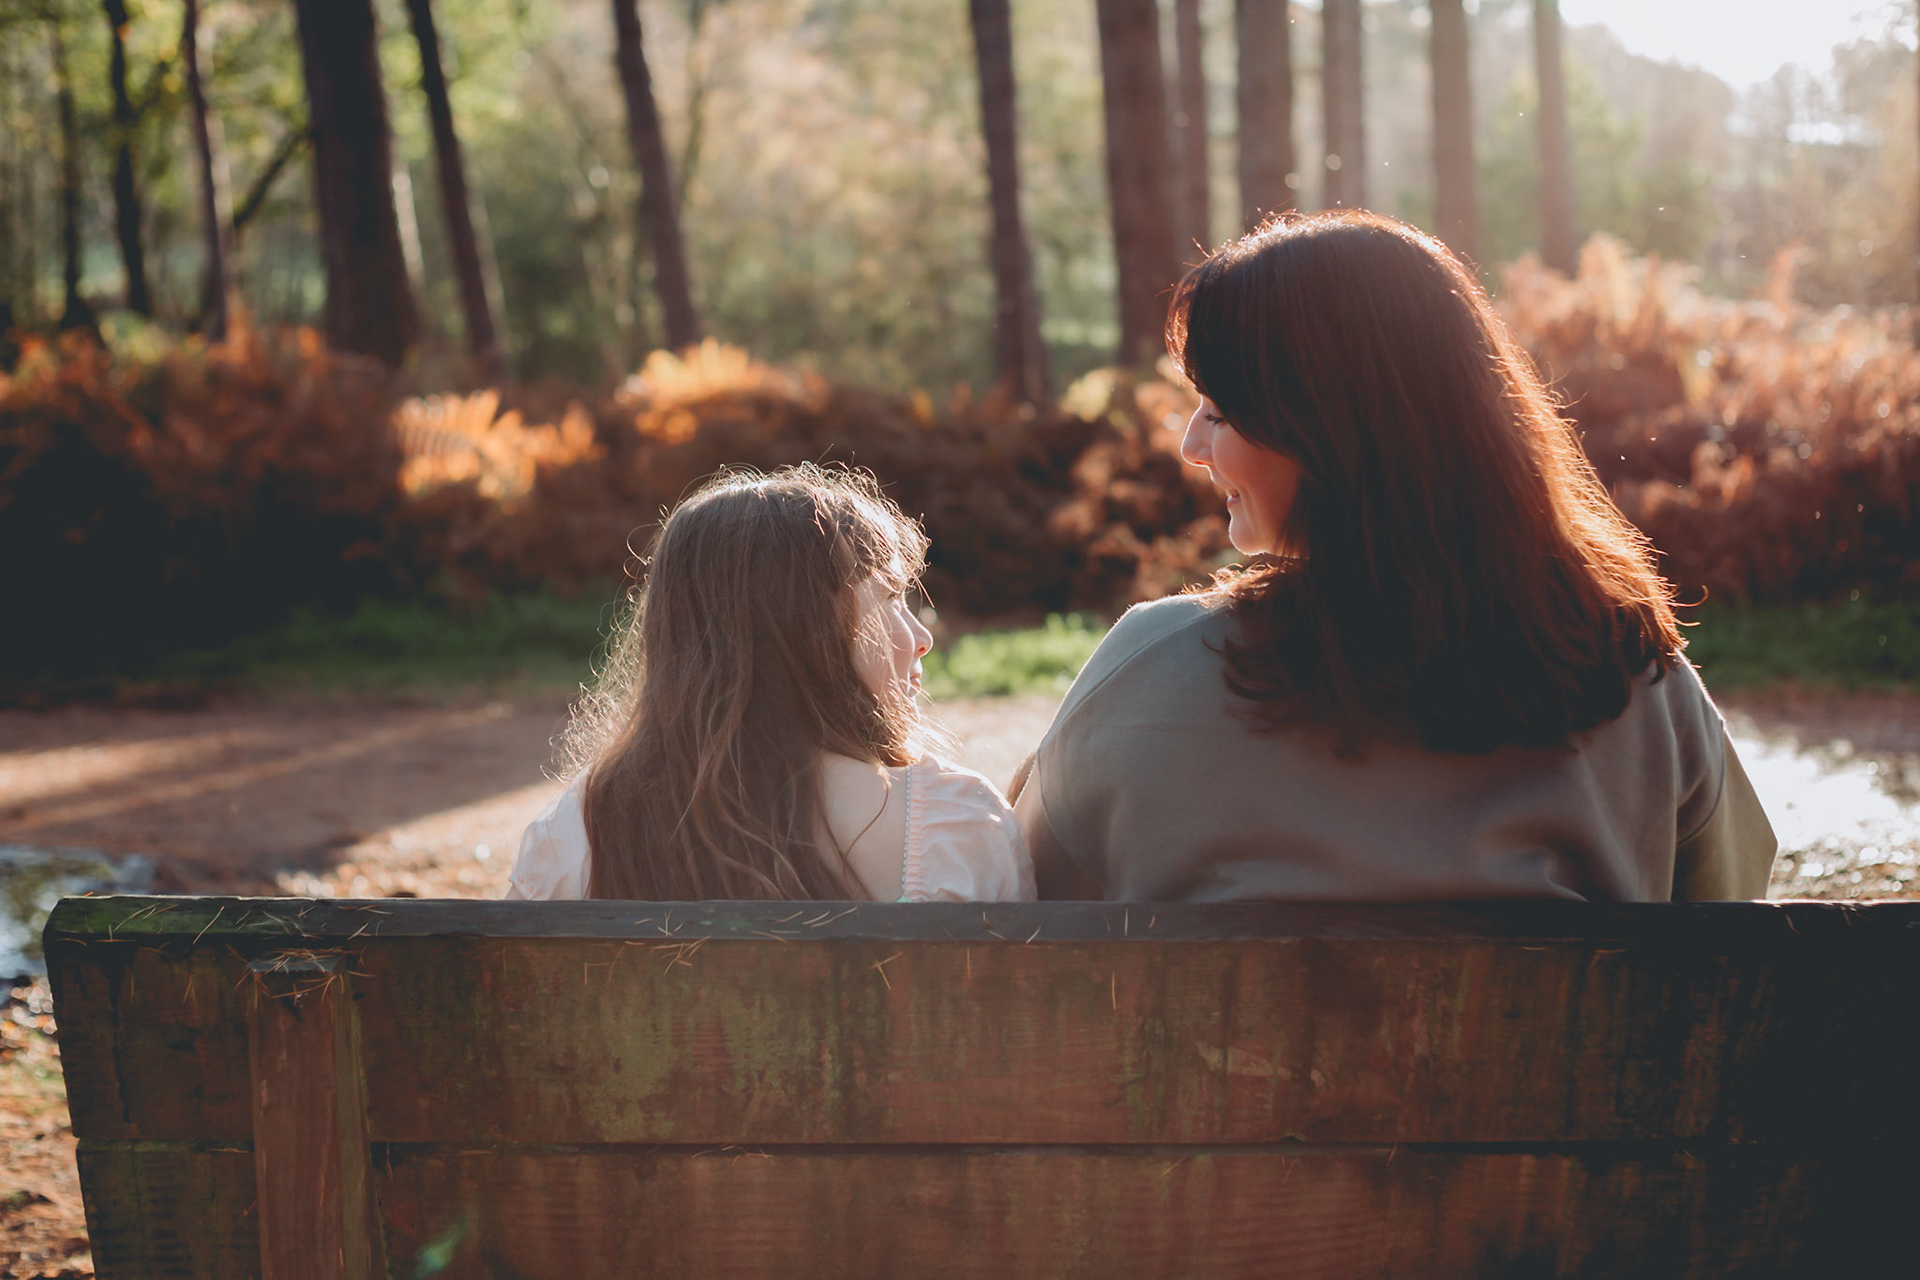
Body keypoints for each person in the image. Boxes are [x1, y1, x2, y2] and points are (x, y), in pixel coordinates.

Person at [1014, 210, 1776, 903]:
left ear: (1325, 431)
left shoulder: (1148, 673)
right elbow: (1730, 919)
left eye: (1219, 411)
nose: (1191, 445)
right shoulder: (1637, 680)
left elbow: (1022, 903)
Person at [508, 465, 1034, 902]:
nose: (923, 638)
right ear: (804, 628)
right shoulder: (957, 828)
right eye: (891, 598)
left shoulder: (577, 833)